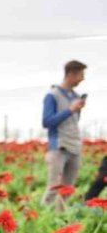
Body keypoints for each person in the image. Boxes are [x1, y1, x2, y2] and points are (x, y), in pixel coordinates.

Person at [42, 60, 87, 210]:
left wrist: (77, 109)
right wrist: (70, 110)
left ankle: (60, 220)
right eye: (81, 75)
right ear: (71, 74)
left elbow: (73, 122)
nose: (83, 79)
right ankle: (41, 219)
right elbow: (47, 121)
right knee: (53, 189)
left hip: (74, 146)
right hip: (59, 147)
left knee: (68, 190)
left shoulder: (75, 96)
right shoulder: (52, 95)